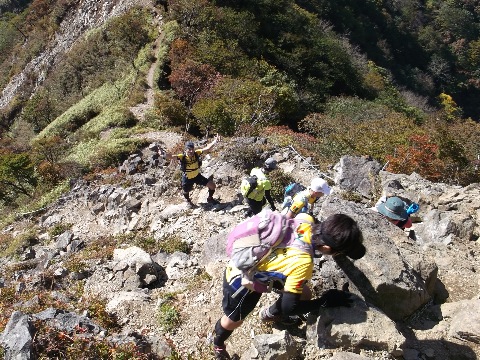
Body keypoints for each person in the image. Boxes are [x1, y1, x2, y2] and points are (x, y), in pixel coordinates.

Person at [212, 213, 366, 359]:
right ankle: (218, 343)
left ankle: (269, 315)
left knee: (304, 293)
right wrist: (324, 301)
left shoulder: (306, 221)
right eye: (339, 253)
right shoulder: (303, 262)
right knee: (234, 319)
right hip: (241, 281)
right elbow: (289, 308)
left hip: (264, 261)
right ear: (326, 248)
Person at [161, 135, 220, 207]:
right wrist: (163, 154)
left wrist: (215, 141)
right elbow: (171, 157)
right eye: (189, 149)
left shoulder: (196, 153)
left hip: (197, 176)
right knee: (186, 191)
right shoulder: (182, 157)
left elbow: (207, 148)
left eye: (192, 149)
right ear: (185, 150)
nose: (191, 151)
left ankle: (210, 198)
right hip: (187, 178)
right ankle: (188, 200)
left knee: (212, 186)